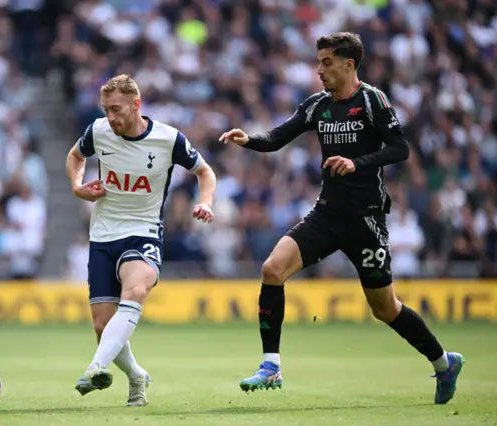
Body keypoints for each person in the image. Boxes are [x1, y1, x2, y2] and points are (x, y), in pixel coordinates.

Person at [219, 32, 464, 405]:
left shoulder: (372, 101)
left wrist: (357, 163)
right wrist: (248, 139)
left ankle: (444, 363)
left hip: (365, 220)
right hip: (326, 214)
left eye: (326, 62)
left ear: (349, 65)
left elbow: (400, 148)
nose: (319, 70)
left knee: (385, 309)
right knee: (272, 269)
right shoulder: (317, 105)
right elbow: (277, 138)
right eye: (319, 62)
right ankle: (271, 366)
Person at [66, 74, 216, 406]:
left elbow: (205, 172)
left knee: (135, 290)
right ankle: (136, 376)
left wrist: (205, 201)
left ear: (136, 104)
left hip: (144, 231)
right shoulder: (99, 131)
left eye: (116, 109)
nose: (110, 117)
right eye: (106, 109)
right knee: (102, 325)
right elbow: (75, 156)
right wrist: (78, 186)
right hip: (103, 234)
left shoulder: (168, 139)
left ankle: (95, 368)